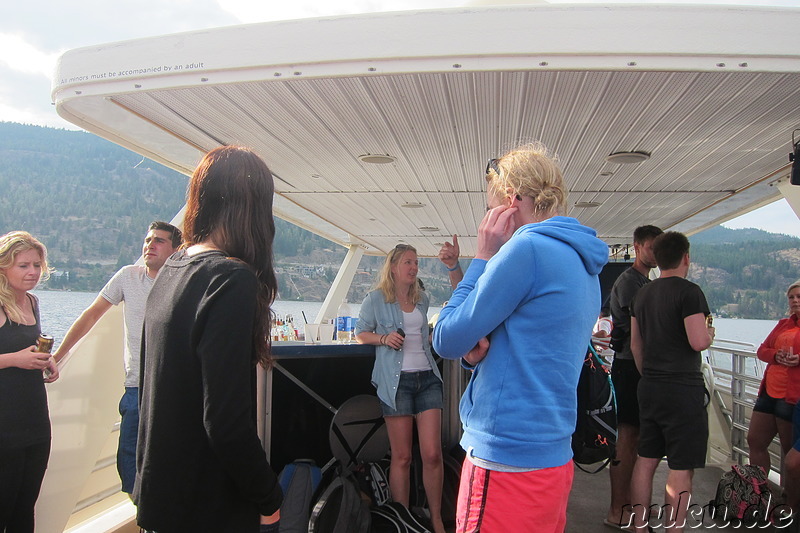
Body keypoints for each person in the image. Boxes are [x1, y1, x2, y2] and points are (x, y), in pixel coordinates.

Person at [432, 142, 608, 532]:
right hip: (552, 454)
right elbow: (535, 344)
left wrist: (481, 256)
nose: (486, 218)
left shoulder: (526, 249)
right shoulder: (586, 263)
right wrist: (474, 356)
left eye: (489, 208)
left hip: (505, 455)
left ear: (510, 202)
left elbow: (445, 337)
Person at [134, 146, 282, 533]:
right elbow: (225, 420)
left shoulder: (173, 269)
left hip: (161, 497)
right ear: (253, 209)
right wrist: (269, 497)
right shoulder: (230, 279)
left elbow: (153, 389)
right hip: (206, 505)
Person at [52, 221, 181, 495]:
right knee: (129, 459)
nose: (150, 246)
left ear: (175, 249)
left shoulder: (183, 282)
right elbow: (91, 315)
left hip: (171, 389)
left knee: (169, 458)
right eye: (148, 240)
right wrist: (59, 356)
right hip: (135, 386)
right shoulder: (127, 277)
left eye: (159, 241)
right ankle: (142, 511)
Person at [355, 244, 447, 533]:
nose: (414, 267)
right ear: (393, 267)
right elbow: (360, 333)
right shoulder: (375, 300)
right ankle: (403, 521)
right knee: (403, 457)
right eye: (408, 262)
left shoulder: (423, 300)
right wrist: (383, 339)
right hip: (396, 384)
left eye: (416, 263)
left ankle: (436, 519)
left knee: (432, 453)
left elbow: (424, 336)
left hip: (427, 378)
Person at [628, 231, 714, 533]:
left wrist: (648, 374)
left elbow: (636, 345)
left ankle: (639, 527)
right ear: (686, 257)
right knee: (680, 465)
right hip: (683, 388)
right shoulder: (690, 293)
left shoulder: (642, 293)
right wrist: (709, 335)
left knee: (646, 458)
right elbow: (697, 341)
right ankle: (673, 529)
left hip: (649, 385)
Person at [605, 224, 662, 530]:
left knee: (637, 437)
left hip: (639, 366)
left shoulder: (645, 282)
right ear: (638, 246)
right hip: (629, 367)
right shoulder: (630, 282)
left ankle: (631, 501)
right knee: (626, 438)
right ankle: (616, 508)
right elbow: (639, 327)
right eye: (652, 247)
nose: (656, 253)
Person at [0, 231, 58, 532]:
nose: (33, 272)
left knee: (25, 508)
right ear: (3, 266)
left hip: (34, 420)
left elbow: (25, 347)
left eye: (37, 265)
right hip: (4, 426)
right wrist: (14, 359)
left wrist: (45, 360)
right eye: (23, 265)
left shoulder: (32, 302)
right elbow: (13, 354)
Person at [747, 279, 800, 507]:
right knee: (755, 440)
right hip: (769, 392)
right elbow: (762, 350)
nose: (795, 301)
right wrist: (775, 355)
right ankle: (759, 494)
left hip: (792, 396)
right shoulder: (782, 324)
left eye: (799, 297)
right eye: (792, 297)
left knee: (790, 453)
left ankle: (790, 502)